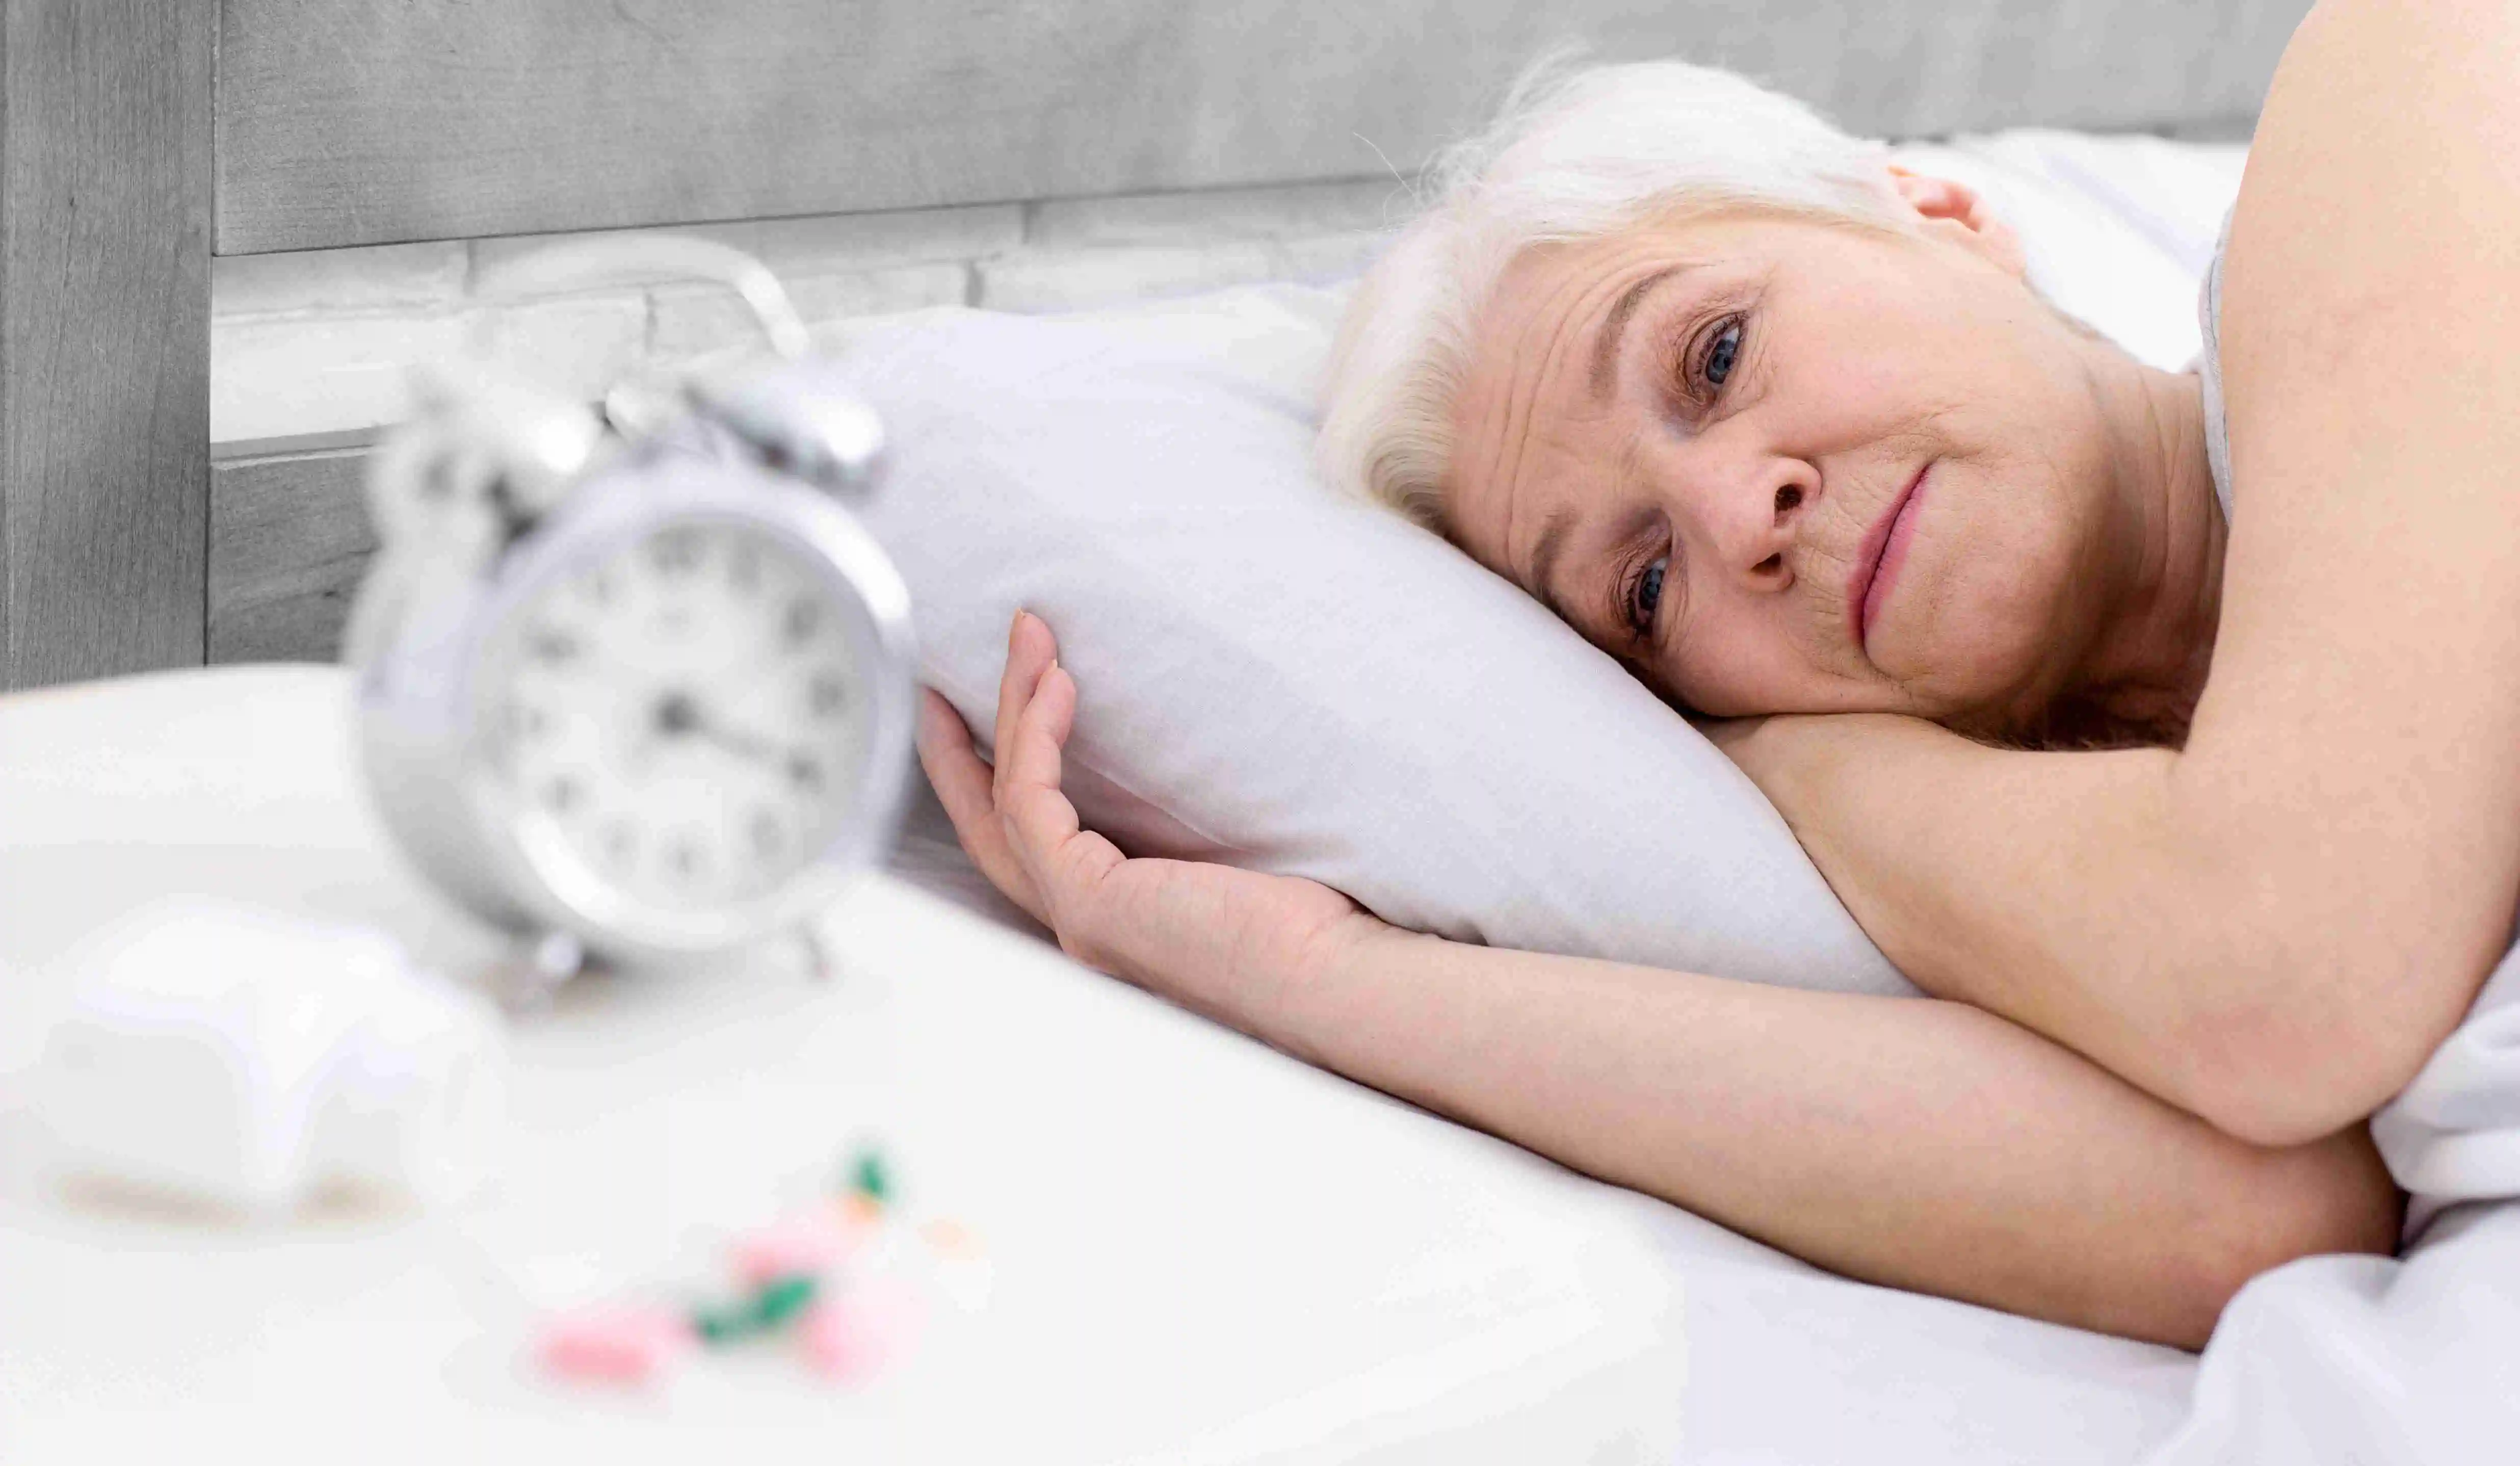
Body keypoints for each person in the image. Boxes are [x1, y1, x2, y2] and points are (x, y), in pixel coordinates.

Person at [915, 0, 2520, 1351]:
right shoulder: (2061, 903)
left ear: (1934, 215)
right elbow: (2253, 1221)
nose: (1739, 512)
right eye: (1644, 588)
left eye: (1717, 355)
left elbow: (2277, 986)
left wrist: (1804, 763)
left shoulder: (2406, 90)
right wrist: (1319, 982)